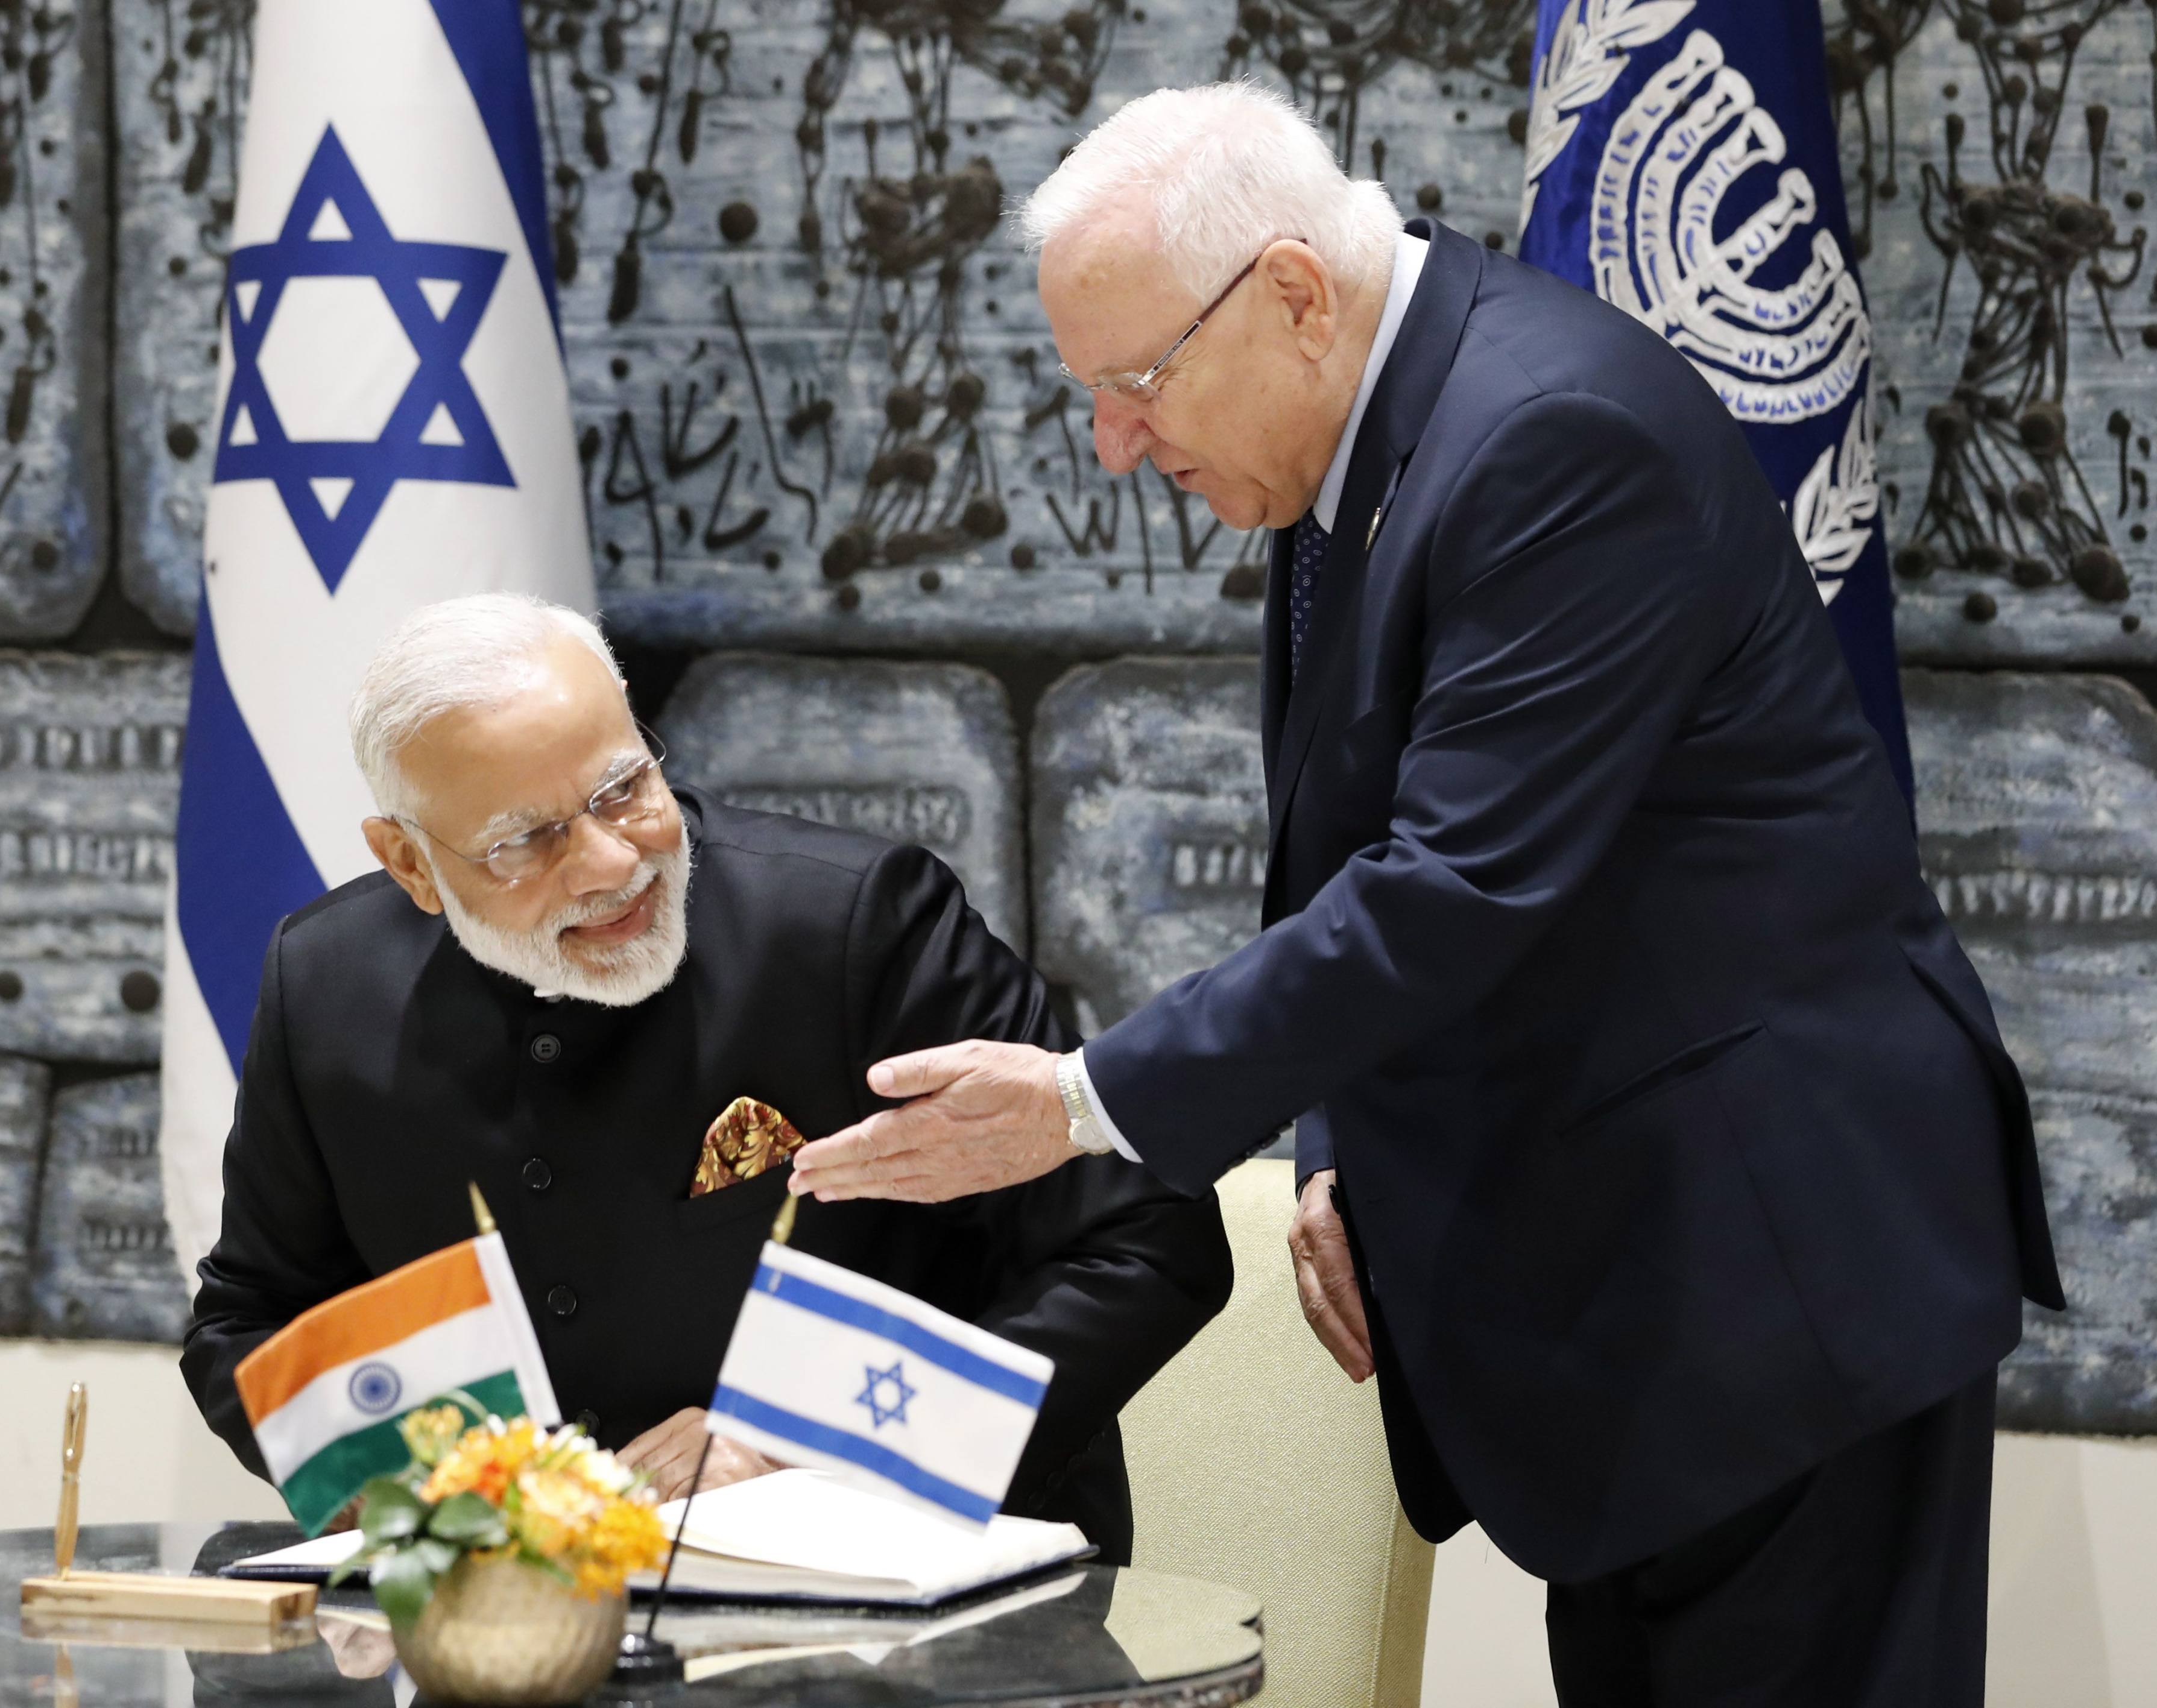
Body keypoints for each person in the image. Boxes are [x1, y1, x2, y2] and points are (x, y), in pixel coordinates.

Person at [787, 83, 2062, 1703]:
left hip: (1779, 1274)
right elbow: (1371, 845)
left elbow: (1455, 880)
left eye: (1135, 384)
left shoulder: (1549, 438)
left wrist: (1083, 1101)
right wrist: (1338, 1134)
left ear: (1291, 294)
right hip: (1636, 1304)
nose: (1117, 443)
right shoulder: (1367, 432)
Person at [180, 594, 1231, 1560]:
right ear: (410, 863)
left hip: (913, 1596)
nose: (610, 863)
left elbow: (1148, 1239)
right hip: (519, 1624)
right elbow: (249, 1322)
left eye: (622, 788)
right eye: (526, 841)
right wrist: (423, 1479)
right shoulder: (326, 985)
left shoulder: (857, 926)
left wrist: (812, 1448)